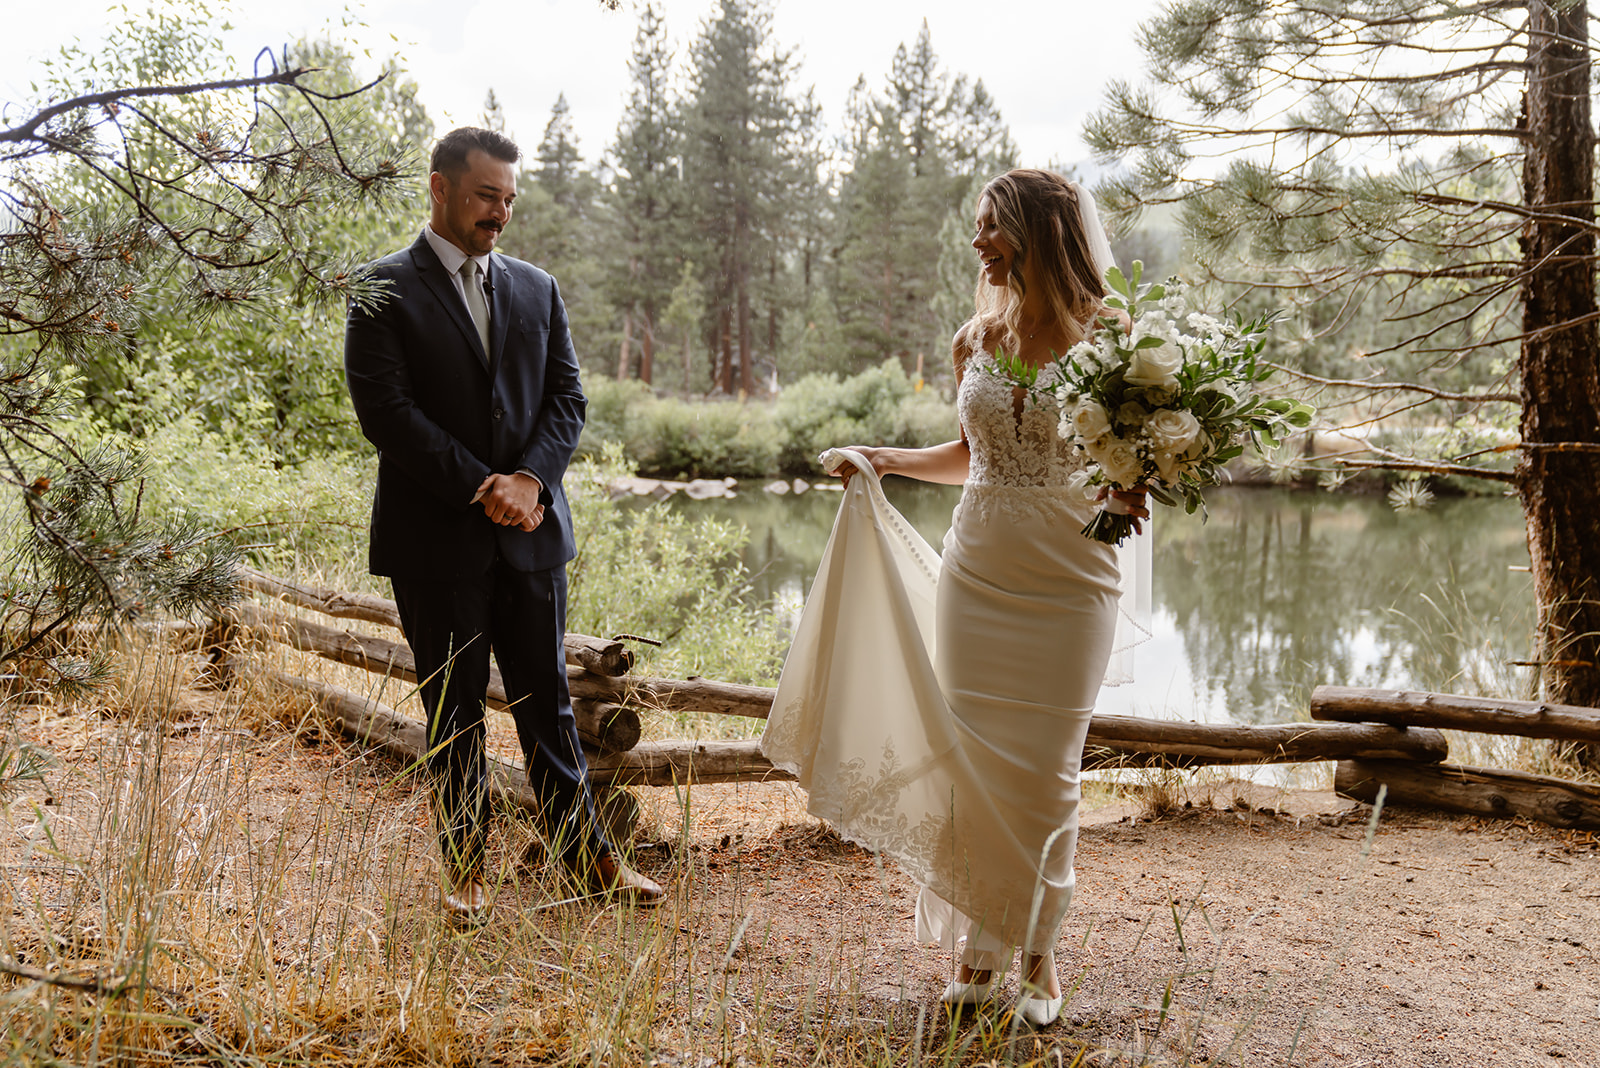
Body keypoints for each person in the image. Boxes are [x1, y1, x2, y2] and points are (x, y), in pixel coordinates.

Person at [761, 169, 1149, 1025]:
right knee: (971, 764)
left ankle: (1040, 961)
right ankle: (978, 953)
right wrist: (890, 459)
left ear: (1036, 230)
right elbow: (974, 453)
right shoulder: (977, 337)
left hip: (1072, 579)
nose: (977, 245)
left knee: (1048, 776)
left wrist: (1130, 493)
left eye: (989, 228)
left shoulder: (1113, 339)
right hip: (976, 574)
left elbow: (1129, 468)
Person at [344, 127, 662, 922]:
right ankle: (467, 873)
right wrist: (484, 485)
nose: (501, 213)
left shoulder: (537, 287)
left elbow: (568, 401)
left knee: (548, 705)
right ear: (440, 188)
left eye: (510, 199)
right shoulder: (379, 288)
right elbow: (386, 413)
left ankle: (589, 859)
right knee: (451, 712)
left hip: (533, 536)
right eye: (488, 196)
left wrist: (529, 481)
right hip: (436, 541)